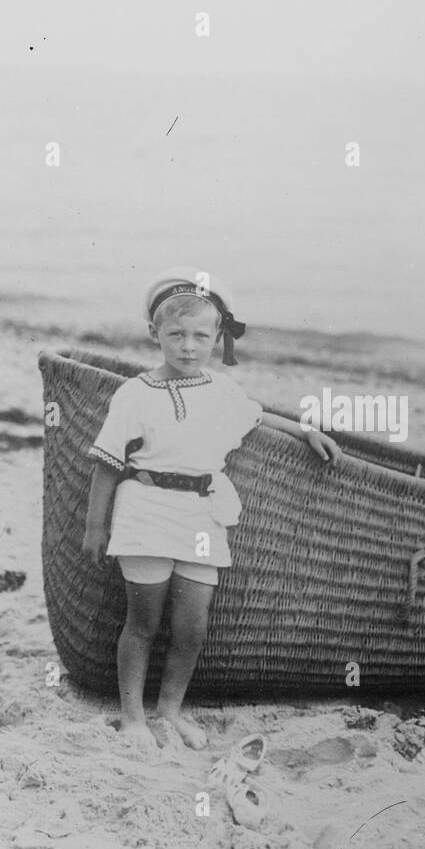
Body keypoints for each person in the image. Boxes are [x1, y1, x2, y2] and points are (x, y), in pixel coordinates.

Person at [83, 268, 342, 754]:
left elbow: (258, 414)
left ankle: (170, 712)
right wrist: (95, 527)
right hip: (145, 510)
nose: (187, 347)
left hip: (201, 516)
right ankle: (134, 717)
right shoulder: (134, 394)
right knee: (142, 622)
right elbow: (107, 464)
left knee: (192, 627)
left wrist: (307, 430)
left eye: (201, 336)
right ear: (154, 335)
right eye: (175, 335)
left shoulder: (221, 390)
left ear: (217, 338)